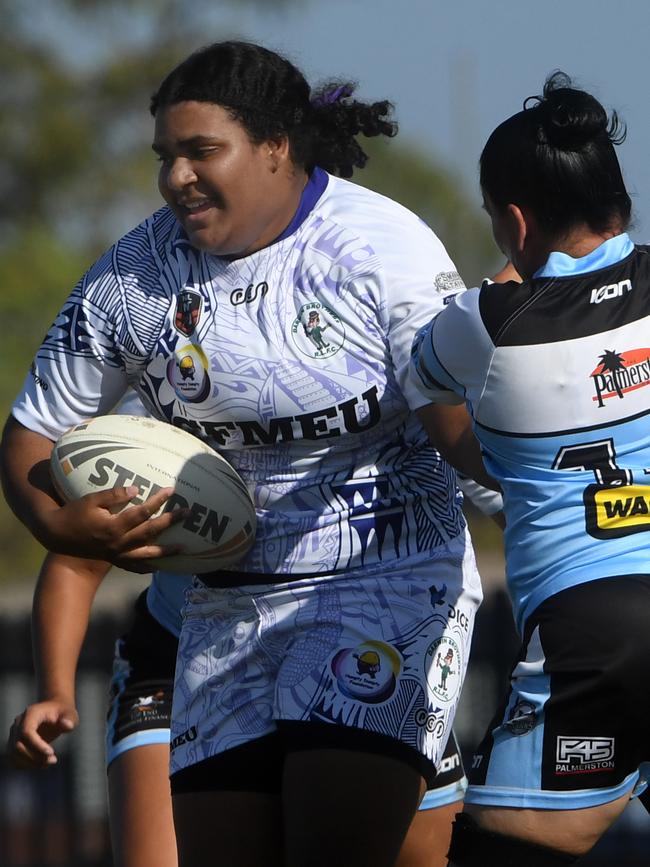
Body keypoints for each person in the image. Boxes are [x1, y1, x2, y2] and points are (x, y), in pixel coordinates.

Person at [1, 40, 486, 867]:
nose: (176, 177)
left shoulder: (381, 249)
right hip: (221, 614)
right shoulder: (134, 280)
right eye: (165, 156)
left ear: (277, 147)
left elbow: (459, 427)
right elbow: (30, 439)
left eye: (200, 151)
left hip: (384, 585)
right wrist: (64, 522)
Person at [412, 71, 650, 865]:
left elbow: (422, 385)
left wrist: (499, 470)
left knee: (500, 846)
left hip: (598, 631)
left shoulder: (485, 322)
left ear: (514, 220)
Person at [8, 552, 473, 867]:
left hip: (359, 649)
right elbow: (75, 560)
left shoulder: (395, 409)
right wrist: (55, 690)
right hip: (180, 665)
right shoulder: (165, 415)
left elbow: (513, 477)